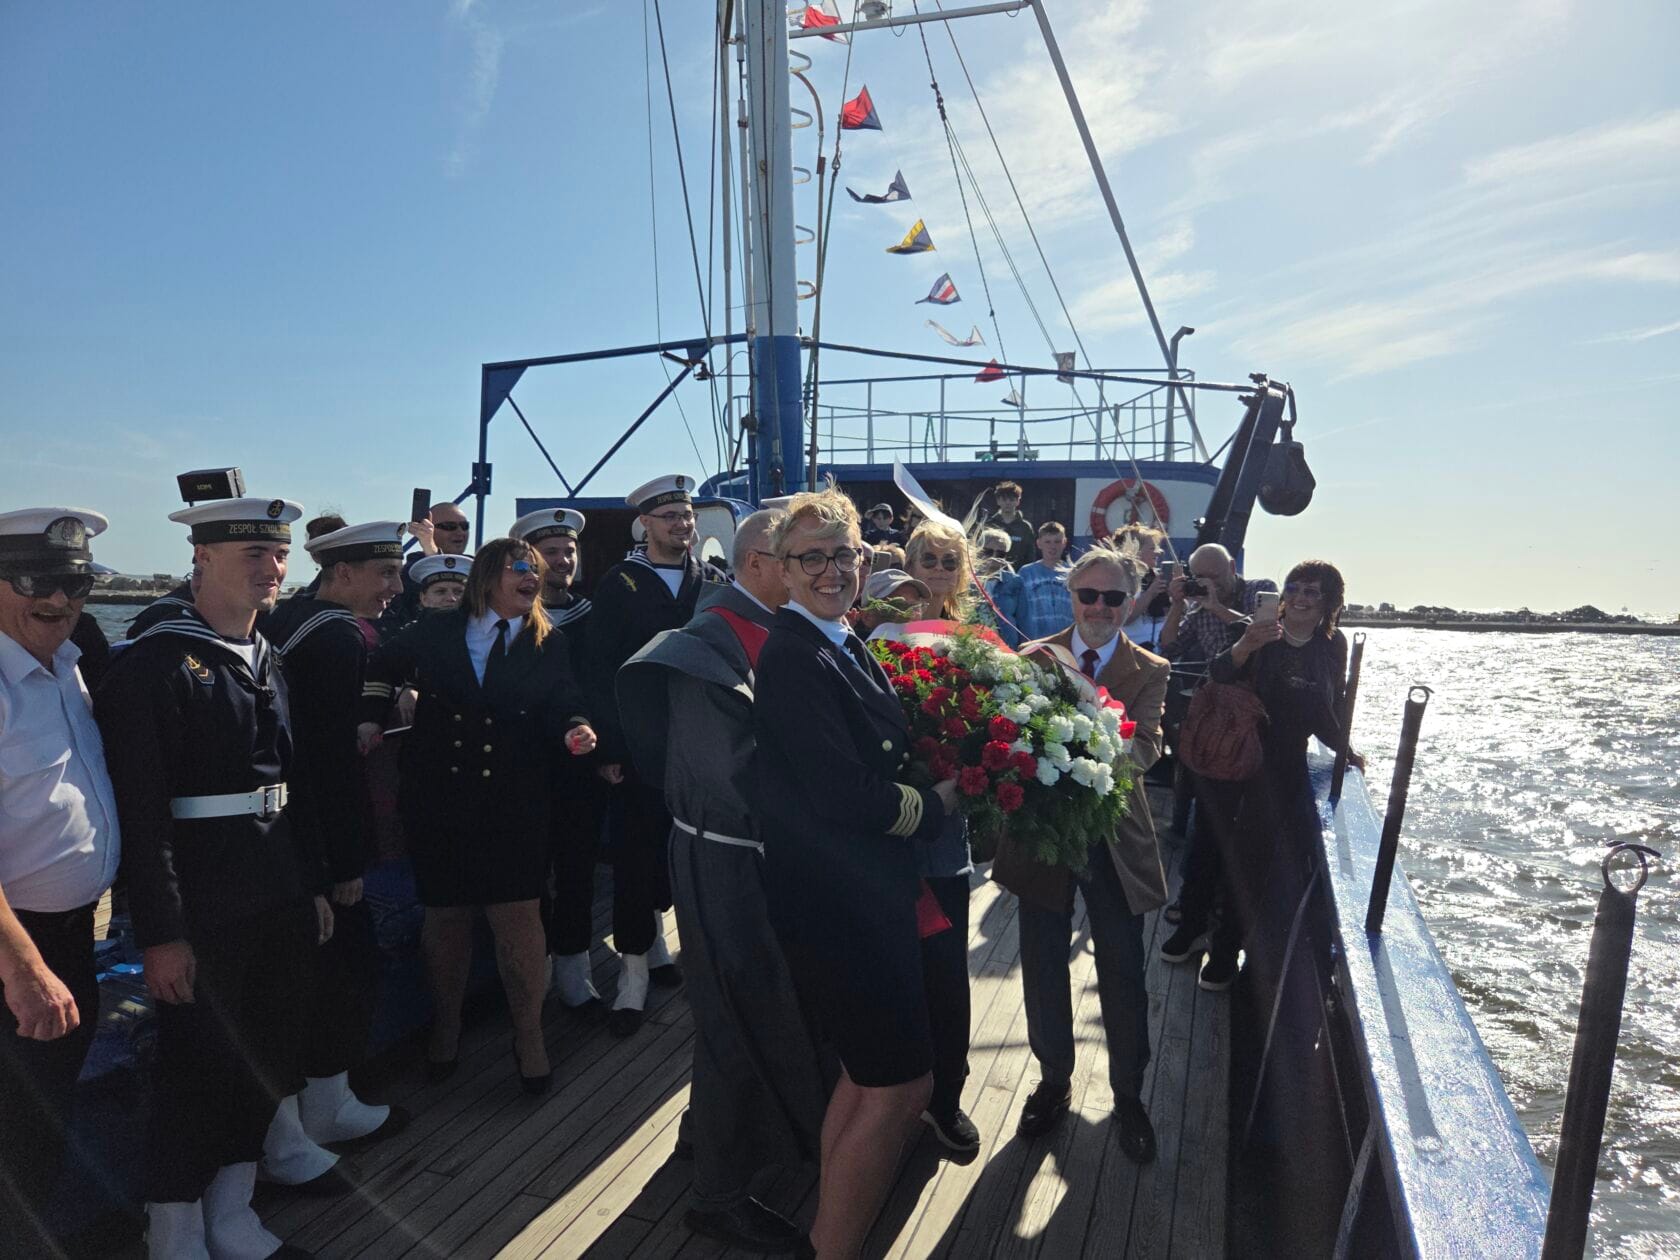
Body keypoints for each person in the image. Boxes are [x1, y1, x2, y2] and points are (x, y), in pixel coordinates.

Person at [95, 491, 330, 1257]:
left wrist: (311, 884)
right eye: (253, 553)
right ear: (202, 559)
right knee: (196, 1065)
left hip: (277, 887)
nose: (273, 568)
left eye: (280, 553)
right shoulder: (156, 664)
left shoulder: (269, 658)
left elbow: (292, 784)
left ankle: (233, 1212)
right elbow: (144, 813)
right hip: (205, 898)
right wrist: (161, 932)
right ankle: (174, 1228)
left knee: (265, 1054)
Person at [751, 489, 959, 1258]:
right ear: (781, 569)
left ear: (865, 560)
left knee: (871, 1076)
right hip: (842, 903)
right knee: (903, 1084)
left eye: (844, 554)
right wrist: (935, 805)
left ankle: (823, 1243)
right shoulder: (795, 656)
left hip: (858, 892)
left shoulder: (839, 638)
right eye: (812, 557)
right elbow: (843, 794)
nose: (831, 570)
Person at [616, 509, 825, 1255]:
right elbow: (730, 777)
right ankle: (719, 1195)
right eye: (805, 557)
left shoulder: (773, 628)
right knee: (737, 1011)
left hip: (759, 855)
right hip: (727, 859)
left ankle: (705, 1135)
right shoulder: (710, 643)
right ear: (760, 562)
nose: (821, 571)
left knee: (748, 1005)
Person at [360, 539, 598, 1093]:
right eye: (521, 567)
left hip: (514, 802)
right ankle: (446, 1026)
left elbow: (564, 698)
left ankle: (529, 1036)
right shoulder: (436, 628)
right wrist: (371, 716)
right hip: (441, 800)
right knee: (446, 921)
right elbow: (383, 664)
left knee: (520, 920)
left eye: (536, 569)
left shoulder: (548, 641)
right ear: (488, 576)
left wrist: (577, 727)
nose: (533, 576)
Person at [259, 521, 409, 1182]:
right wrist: (343, 863)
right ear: (342, 574)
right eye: (385, 574)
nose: (395, 588)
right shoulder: (339, 638)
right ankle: (325, 1107)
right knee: (347, 967)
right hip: (317, 839)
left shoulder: (289, 620)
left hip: (279, 830)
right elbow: (328, 762)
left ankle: (319, 1107)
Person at [1012, 547, 1169, 1165]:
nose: (1099, 608)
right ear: (1071, 597)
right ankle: (1054, 1081)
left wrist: (1092, 745)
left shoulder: (1151, 667)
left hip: (1115, 838)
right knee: (1042, 962)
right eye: (1088, 595)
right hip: (1045, 837)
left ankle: (1128, 1095)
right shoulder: (1034, 657)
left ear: (1130, 603)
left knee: (1124, 970)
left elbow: (1149, 745)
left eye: (1113, 598)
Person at [0, 509, 122, 1255]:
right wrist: (24, 970)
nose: (59, 599)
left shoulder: (68, 664)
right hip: (17, 954)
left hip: (70, 938)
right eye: (33, 580)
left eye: (76, 584)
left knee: (38, 1128)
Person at [1166, 562, 1360, 991]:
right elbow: (1218, 673)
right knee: (1207, 846)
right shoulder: (1256, 629)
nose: (1301, 598)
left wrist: (1345, 749)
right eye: (1294, 587)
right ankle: (1190, 925)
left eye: (1313, 591)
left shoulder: (1332, 644)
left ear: (1329, 601)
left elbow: (1333, 703)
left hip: (1281, 766)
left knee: (1251, 862)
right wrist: (1247, 645)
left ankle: (1225, 950)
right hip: (1231, 753)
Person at [586, 475, 722, 1036]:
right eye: (669, 517)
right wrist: (610, 747)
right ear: (645, 524)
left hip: (699, 745)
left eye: (687, 516)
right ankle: (633, 975)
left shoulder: (711, 579)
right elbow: (599, 670)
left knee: (695, 857)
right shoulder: (618, 585)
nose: (681, 525)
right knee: (637, 857)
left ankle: (682, 961)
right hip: (640, 746)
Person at [899, 521, 982, 1155]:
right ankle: (884, 1093)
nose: (937, 569)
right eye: (927, 558)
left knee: (947, 973)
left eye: (949, 561)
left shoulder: (978, 644)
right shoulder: (867, 632)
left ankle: (945, 1095)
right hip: (879, 834)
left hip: (944, 833)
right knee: (887, 972)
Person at [508, 508, 601, 1008]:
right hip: (522, 765)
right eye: (551, 552)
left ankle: (574, 966)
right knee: (526, 873)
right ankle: (533, 971)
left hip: (578, 763)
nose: (563, 560)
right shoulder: (509, 620)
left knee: (576, 867)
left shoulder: (590, 615)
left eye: (569, 550)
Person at [380, 500, 473, 635]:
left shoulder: (479, 567)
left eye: (464, 526)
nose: (460, 532)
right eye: (449, 526)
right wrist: (431, 550)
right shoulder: (410, 571)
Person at [1115, 523, 1171, 652]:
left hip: (1160, 649)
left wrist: (1176, 596)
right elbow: (1124, 618)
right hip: (1132, 649)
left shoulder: (1154, 576)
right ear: (1136, 551)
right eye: (1152, 548)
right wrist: (1151, 593)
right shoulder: (1120, 579)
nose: (1158, 552)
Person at [1015, 521, 1075, 641]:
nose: (1052, 546)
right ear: (1039, 543)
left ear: (1064, 542)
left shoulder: (1073, 573)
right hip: (1033, 641)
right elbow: (1018, 609)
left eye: (1057, 541)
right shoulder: (1026, 573)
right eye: (1047, 542)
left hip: (1066, 642)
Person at [973, 524, 1025, 648]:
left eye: (1000, 554)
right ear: (978, 550)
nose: (994, 557)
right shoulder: (965, 581)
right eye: (988, 552)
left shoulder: (1015, 582)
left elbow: (1024, 619)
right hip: (970, 645)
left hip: (1006, 647)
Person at [851, 567, 930, 638]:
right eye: (899, 604)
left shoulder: (927, 646)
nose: (913, 614)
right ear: (867, 616)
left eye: (916, 606)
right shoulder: (852, 648)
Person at [984, 481, 1036, 569]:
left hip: (1019, 574)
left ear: (1018, 501)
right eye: (1004, 499)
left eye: (1011, 499)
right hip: (991, 573)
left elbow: (1031, 555)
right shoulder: (989, 525)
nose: (1008, 503)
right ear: (998, 501)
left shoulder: (1025, 527)